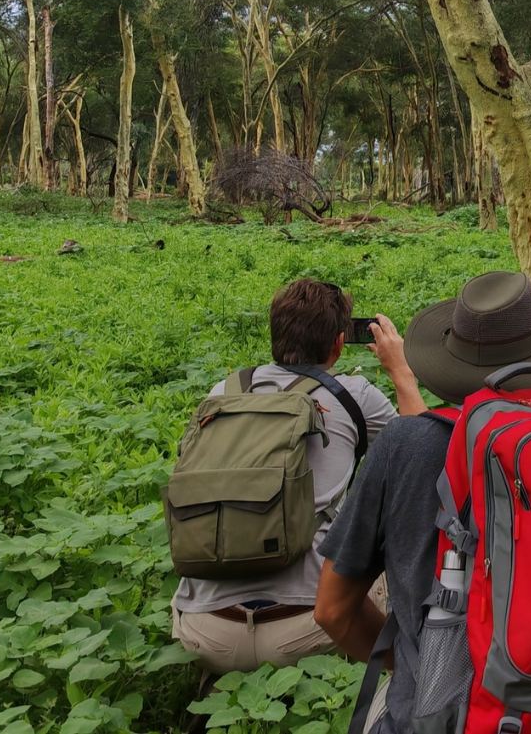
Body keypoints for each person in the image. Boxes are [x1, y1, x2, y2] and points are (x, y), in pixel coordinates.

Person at [314, 271, 531, 734]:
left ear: (449, 360)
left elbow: (332, 610)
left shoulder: (405, 446)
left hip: (438, 712)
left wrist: (409, 662)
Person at [171, 278, 423, 673]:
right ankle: (397, 677)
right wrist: (402, 371)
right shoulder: (353, 393)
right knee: (393, 539)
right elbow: (421, 454)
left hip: (205, 630)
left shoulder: (223, 392)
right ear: (340, 343)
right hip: (311, 628)